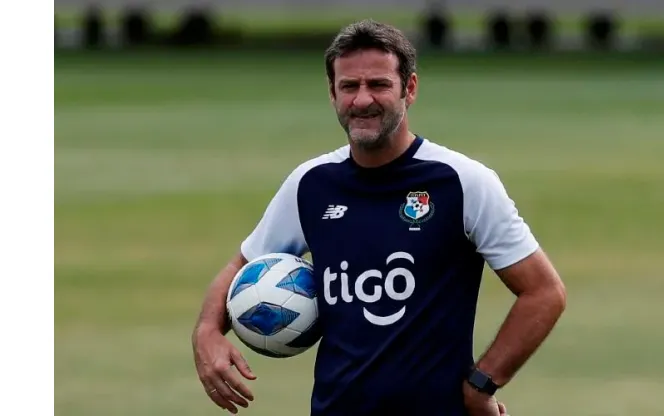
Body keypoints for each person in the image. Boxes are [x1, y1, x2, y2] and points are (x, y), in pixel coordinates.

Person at [191, 19, 566, 416]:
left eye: (379, 85)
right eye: (349, 86)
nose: (362, 100)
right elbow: (241, 266)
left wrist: (481, 385)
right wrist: (207, 332)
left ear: (410, 88)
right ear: (332, 93)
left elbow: (544, 293)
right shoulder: (311, 184)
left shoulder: (462, 182)